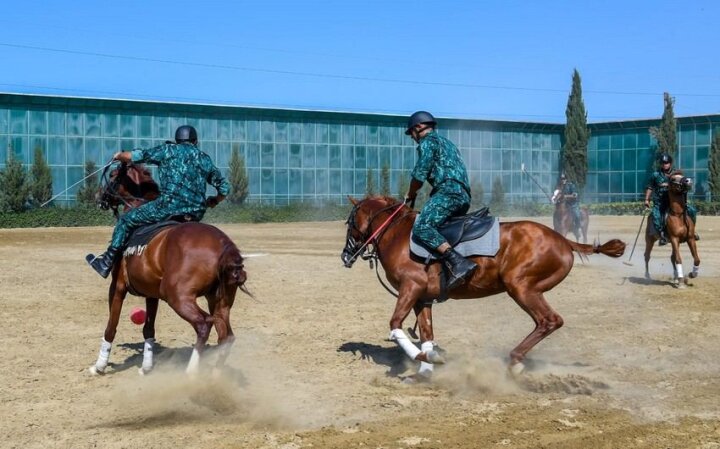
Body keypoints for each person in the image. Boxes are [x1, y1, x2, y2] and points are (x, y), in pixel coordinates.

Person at [86, 125, 230, 278]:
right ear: (195, 141)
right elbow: (224, 188)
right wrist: (214, 200)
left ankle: (107, 261)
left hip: (167, 207)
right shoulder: (204, 158)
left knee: (125, 220)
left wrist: (119, 155)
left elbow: (139, 155)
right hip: (196, 213)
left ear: (177, 140)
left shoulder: (168, 150)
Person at [404, 111, 477, 290]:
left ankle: (458, 262)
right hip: (463, 195)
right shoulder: (448, 143)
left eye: (411, 134)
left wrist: (410, 194)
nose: (413, 138)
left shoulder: (427, 142)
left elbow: (420, 173)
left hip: (448, 193)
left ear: (418, 128)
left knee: (422, 227)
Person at [644, 152, 698, 246]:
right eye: (663, 163)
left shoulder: (676, 174)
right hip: (660, 202)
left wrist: (687, 183)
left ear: (670, 163)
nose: (665, 165)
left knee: (692, 210)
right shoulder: (655, 175)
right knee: (656, 216)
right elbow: (650, 187)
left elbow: (685, 182)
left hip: (675, 202)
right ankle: (662, 235)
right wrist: (646, 200)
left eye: (667, 163)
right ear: (660, 164)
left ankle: (693, 231)